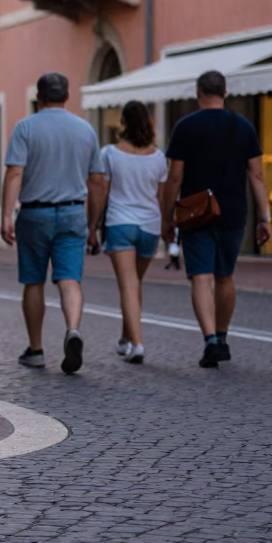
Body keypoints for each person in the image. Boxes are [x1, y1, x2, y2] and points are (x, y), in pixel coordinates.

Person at [161, 71, 272, 367]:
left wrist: (167, 216)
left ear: (199, 92)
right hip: (234, 212)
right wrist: (265, 217)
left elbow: (174, 177)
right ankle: (222, 337)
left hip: (196, 213)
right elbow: (257, 175)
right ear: (225, 93)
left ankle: (210, 340)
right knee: (225, 275)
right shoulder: (243, 126)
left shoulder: (185, 127)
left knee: (201, 276)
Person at [1, 72, 106, 375]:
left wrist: (7, 215)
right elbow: (97, 181)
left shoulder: (25, 127)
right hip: (73, 213)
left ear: (39, 97)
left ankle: (35, 350)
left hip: (35, 213)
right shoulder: (85, 129)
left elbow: (14, 174)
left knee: (33, 281)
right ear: (67, 96)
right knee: (69, 279)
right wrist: (93, 223)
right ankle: (72, 329)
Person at [101, 101, 168, 364]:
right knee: (134, 284)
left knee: (128, 285)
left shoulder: (109, 154)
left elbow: (102, 191)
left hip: (120, 223)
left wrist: (93, 222)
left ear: (124, 123)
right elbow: (161, 197)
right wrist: (166, 226)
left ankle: (138, 344)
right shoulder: (158, 157)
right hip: (150, 225)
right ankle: (125, 338)